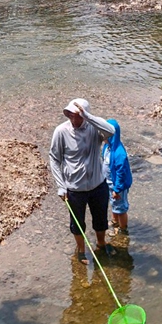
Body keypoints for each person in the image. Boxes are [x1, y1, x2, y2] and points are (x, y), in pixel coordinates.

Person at [49, 99, 115, 264]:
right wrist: (61, 186)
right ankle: (81, 250)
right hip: (74, 189)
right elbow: (54, 159)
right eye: (70, 115)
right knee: (77, 223)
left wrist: (88, 116)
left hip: (98, 185)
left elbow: (111, 131)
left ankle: (101, 244)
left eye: (77, 115)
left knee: (100, 219)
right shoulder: (61, 131)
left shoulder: (94, 128)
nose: (73, 119)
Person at [102, 119, 133, 235]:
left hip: (117, 185)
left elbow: (121, 172)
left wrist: (118, 189)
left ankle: (123, 229)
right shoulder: (107, 147)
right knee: (113, 203)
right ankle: (114, 221)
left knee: (120, 208)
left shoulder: (119, 153)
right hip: (109, 183)